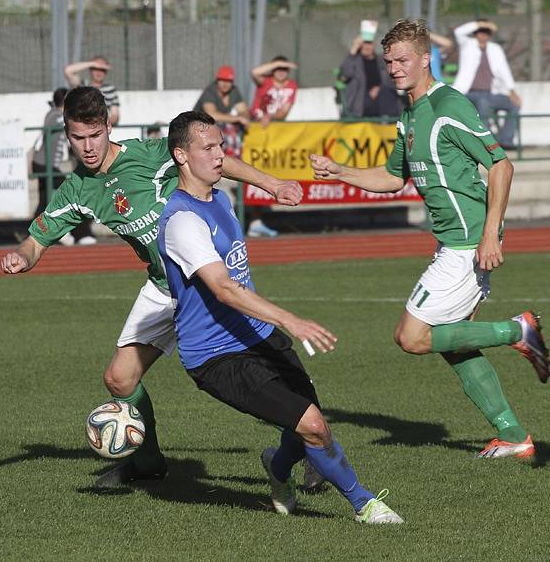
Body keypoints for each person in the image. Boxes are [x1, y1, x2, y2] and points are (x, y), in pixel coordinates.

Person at [0, 86, 307, 488]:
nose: (88, 147)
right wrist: (22, 256)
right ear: (67, 135)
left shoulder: (147, 155)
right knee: (119, 379)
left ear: (109, 127)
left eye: (95, 135)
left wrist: (272, 184)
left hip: (205, 282)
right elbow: (38, 238)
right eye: (79, 138)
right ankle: (148, 464)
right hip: (164, 288)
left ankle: (309, 442)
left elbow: (213, 156)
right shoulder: (77, 189)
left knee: (263, 363)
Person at [311, 18, 550, 459]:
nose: (394, 68)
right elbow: (390, 177)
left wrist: (489, 235)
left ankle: (516, 329)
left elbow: (500, 166)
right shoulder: (409, 113)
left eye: (403, 60)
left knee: (412, 337)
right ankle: (514, 435)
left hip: (466, 242)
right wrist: (339, 170)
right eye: (389, 62)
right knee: (456, 344)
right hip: (454, 241)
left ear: (426, 59)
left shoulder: (448, 105)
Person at [157, 110, 404, 524]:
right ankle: (365, 505)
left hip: (255, 334)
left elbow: (229, 167)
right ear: (181, 157)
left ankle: (276, 469)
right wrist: (293, 320)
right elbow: (224, 288)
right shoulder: (183, 221)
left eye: (221, 145)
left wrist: (272, 184)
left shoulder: (217, 195)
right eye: (209, 149)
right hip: (217, 356)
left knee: (306, 421)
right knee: (315, 428)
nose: (220, 156)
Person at [194, 65, 277, 238]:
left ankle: (252, 224)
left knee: (248, 182)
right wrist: (237, 118)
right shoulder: (210, 92)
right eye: (222, 80)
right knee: (216, 191)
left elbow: (244, 110)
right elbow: (212, 114)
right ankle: (215, 229)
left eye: (229, 81)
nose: (225, 84)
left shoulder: (234, 92)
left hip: (223, 147)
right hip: (199, 145)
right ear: (217, 80)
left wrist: (246, 117)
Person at [452, 20, 521, 149]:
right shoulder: (467, 44)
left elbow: (504, 70)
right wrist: (481, 24)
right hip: (469, 93)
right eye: (480, 32)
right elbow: (458, 32)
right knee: (483, 103)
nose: (483, 35)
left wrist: (512, 91)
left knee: (514, 105)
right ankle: (489, 142)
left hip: (491, 93)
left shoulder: (495, 49)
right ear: (476, 33)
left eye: (486, 32)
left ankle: (506, 140)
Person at [30, 87, 75, 246]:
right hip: (44, 164)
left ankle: (33, 232)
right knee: (68, 189)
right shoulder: (55, 115)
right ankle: (61, 231)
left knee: (43, 200)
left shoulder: (56, 114)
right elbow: (60, 121)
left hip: (45, 164)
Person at [339, 28, 402, 118]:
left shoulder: (382, 61)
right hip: (362, 100)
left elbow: (393, 81)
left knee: (386, 93)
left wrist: (378, 89)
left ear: (374, 44)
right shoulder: (354, 61)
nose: (366, 47)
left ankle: (388, 121)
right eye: (364, 43)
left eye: (369, 43)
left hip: (383, 98)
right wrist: (353, 49)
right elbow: (346, 73)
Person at [64, 56, 120, 125]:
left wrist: (100, 124)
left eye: (102, 70)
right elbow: (68, 71)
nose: (99, 72)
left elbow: (115, 115)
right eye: (96, 69)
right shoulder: (82, 86)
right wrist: (92, 64)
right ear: (90, 70)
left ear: (106, 72)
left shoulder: (111, 89)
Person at [250, 55, 299, 129]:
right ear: (272, 70)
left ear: (288, 71)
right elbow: (254, 72)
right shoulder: (265, 81)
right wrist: (278, 63)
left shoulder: (292, 85)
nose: (281, 72)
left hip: (275, 124)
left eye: (284, 69)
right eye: (278, 69)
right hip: (255, 122)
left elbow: (284, 111)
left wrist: (269, 117)